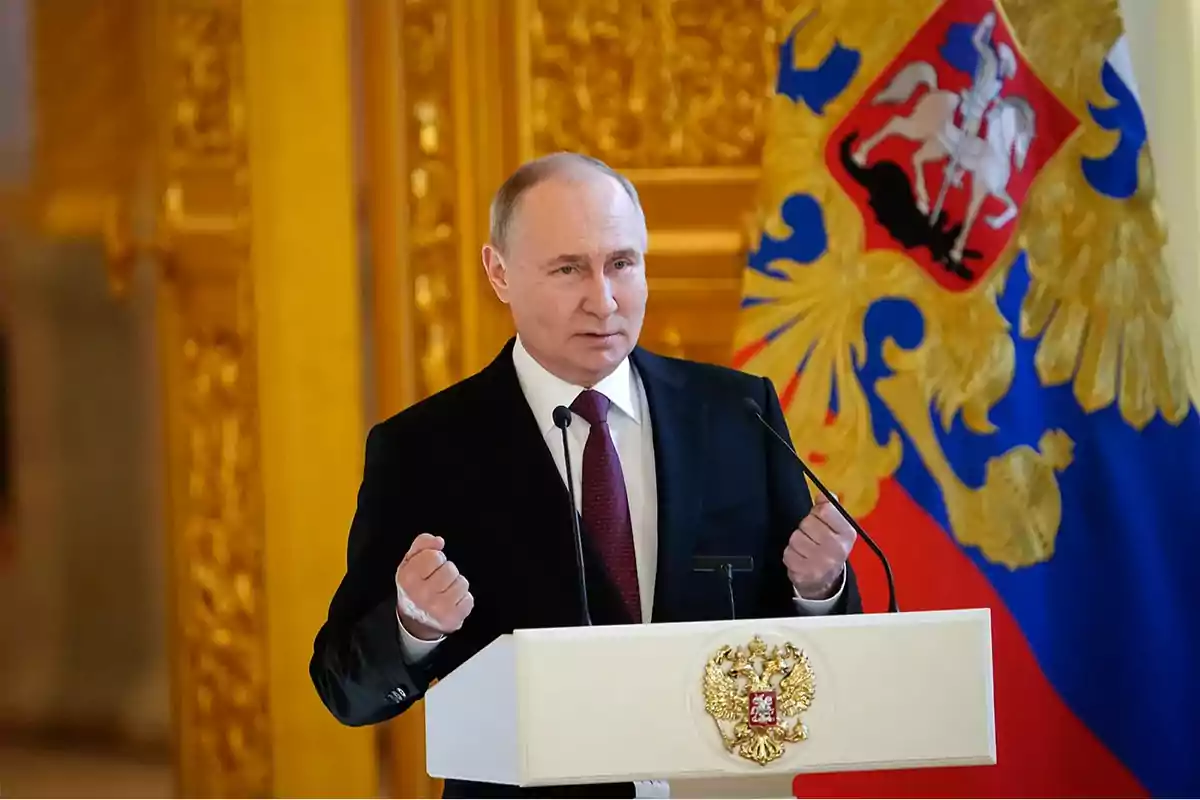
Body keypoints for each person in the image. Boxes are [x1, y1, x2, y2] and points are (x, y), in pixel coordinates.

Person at [310, 152, 864, 798]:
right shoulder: (424, 448)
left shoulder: (739, 414)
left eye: (621, 264)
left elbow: (806, 653)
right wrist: (414, 625)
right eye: (568, 268)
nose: (602, 300)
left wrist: (819, 588)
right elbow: (343, 688)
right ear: (500, 273)